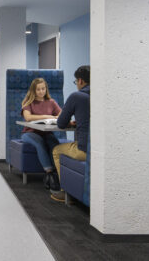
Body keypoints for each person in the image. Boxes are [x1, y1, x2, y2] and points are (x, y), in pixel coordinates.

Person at [50, 65, 90, 202]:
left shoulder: (76, 96)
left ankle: (65, 191)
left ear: (80, 81)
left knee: (56, 150)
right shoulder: (102, 95)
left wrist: (71, 122)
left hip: (84, 150)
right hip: (101, 149)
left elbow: (61, 123)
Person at [21, 78, 62, 191]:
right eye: (38, 89)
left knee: (54, 144)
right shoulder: (28, 103)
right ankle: (49, 174)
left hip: (46, 132)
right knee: (40, 143)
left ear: (46, 89)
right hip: (29, 133)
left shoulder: (51, 102)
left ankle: (57, 173)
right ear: (33, 90)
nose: (41, 91)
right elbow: (28, 117)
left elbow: (61, 114)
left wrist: (57, 116)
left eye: (43, 88)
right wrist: (47, 116)